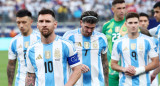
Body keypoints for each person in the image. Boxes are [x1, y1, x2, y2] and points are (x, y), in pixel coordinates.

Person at [25, 9, 81, 86]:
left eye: (47, 21)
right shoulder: (31, 49)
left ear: (55, 24)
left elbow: (77, 70)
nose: (44, 24)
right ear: (37, 25)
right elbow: (30, 76)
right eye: (41, 21)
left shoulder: (66, 45)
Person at [111, 12, 159, 86]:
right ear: (126, 24)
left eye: (135, 22)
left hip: (144, 83)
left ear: (138, 24)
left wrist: (137, 70)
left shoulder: (148, 41)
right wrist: (124, 69)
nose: (133, 25)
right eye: (130, 23)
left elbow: (156, 62)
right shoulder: (118, 42)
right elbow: (113, 64)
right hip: (125, 83)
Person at [63, 11, 108, 86]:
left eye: (92, 28)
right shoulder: (69, 36)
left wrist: (106, 83)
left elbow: (105, 62)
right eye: (87, 27)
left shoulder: (101, 38)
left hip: (97, 83)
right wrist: (77, 66)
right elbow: (62, 59)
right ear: (81, 23)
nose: (89, 31)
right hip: (75, 83)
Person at [7, 9, 40, 86]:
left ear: (31, 22)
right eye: (18, 22)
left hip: (39, 81)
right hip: (20, 82)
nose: (21, 25)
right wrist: (9, 84)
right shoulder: (14, 41)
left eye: (24, 22)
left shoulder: (40, 38)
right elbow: (11, 64)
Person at [102, 0, 126, 85]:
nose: (122, 11)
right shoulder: (106, 26)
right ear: (113, 9)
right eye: (119, 8)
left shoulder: (130, 24)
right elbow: (103, 48)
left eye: (124, 8)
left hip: (127, 70)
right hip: (111, 71)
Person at [139, 12, 159, 86]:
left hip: (151, 76)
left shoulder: (155, 40)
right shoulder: (129, 40)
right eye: (140, 21)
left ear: (148, 22)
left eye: (145, 21)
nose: (143, 23)